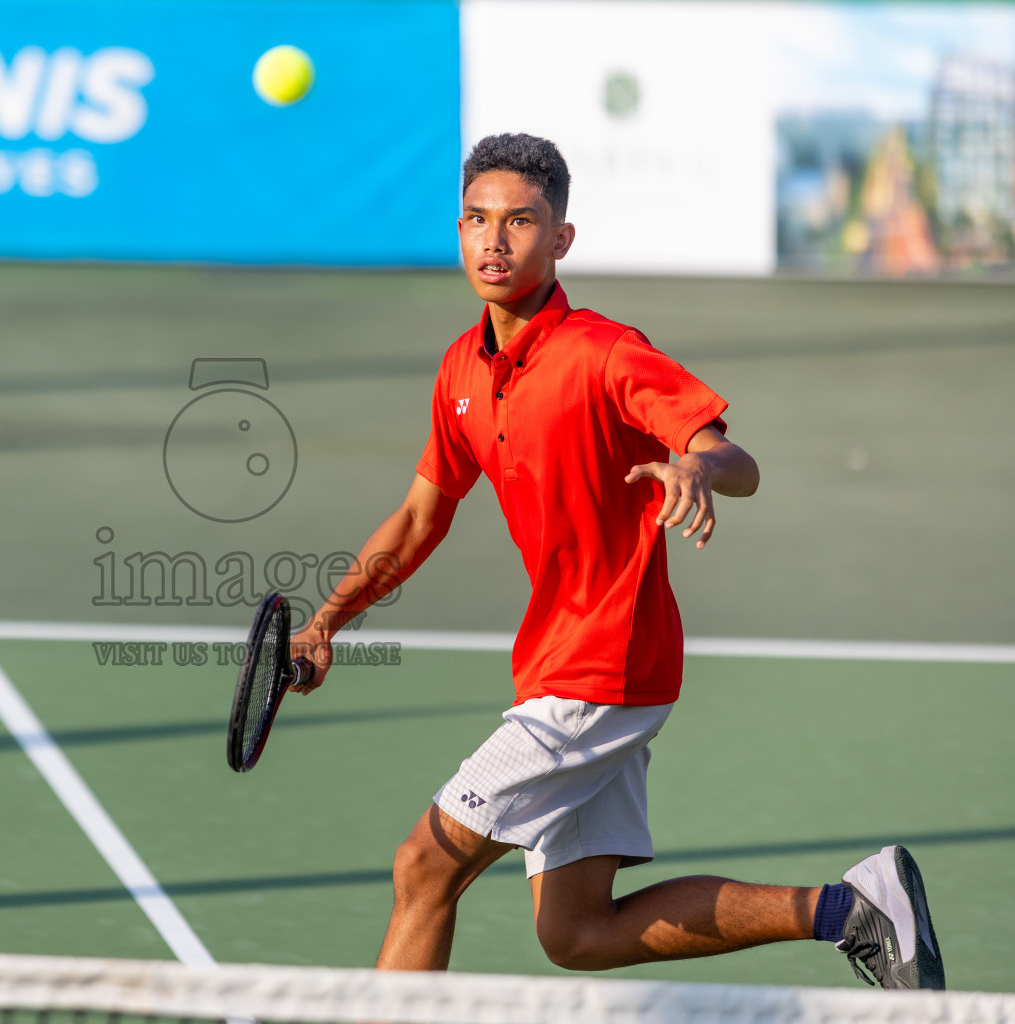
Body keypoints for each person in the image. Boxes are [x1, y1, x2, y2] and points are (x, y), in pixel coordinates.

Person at [289, 133, 943, 990]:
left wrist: (693, 468)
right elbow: (419, 518)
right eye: (478, 221)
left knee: (424, 867)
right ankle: (852, 909)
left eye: (520, 222)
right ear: (458, 231)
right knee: (579, 931)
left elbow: (733, 458)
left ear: (560, 239)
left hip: (603, 663)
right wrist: (326, 623)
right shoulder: (462, 370)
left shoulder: (603, 353)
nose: (495, 241)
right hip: (560, 663)